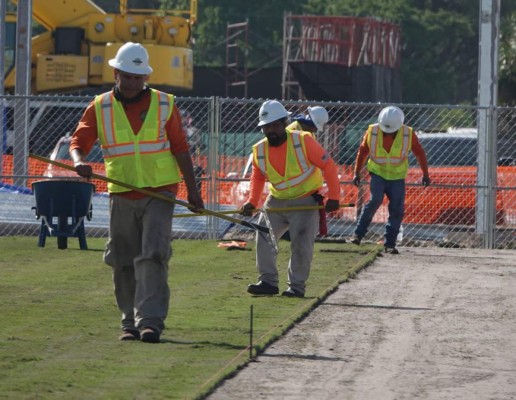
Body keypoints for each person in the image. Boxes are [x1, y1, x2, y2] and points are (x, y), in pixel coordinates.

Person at [69, 42, 204, 343]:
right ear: (116, 73)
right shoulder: (100, 106)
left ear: (145, 77)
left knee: (153, 254)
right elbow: (78, 142)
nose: (132, 82)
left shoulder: (165, 104)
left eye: (137, 77)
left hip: (161, 192)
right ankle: (128, 322)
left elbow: (181, 149)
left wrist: (193, 192)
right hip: (122, 192)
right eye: (127, 75)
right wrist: (79, 163)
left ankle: (151, 322)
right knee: (123, 259)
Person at [241, 100, 340, 298]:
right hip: (276, 200)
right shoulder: (259, 149)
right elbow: (258, 175)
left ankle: (296, 287)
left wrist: (334, 197)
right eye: (266, 127)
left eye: (275, 125)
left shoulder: (304, 141)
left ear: (285, 123)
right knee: (263, 236)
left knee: (301, 244)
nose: (271, 130)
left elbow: (328, 166)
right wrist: (252, 202)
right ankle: (268, 281)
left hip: (305, 201)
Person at [351, 106, 430, 254]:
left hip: (397, 177)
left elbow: (419, 153)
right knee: (375, 200)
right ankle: (358, 234)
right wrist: (357, 172)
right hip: (377, 173)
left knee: (397, 209)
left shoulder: (408, 134)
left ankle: (390, 244)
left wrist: (425, 174)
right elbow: (362, 152)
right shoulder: (372, 131)